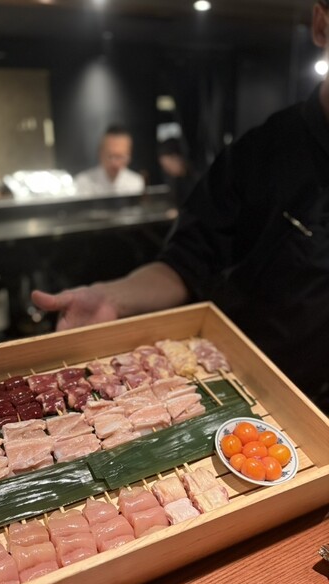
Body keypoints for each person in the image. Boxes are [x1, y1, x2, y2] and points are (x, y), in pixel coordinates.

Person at [32, 1, 329, 409]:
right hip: (258, 400)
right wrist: (113, 297)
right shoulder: (262, 154)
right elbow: (185, 264)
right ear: (321, 24)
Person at [74, 125, 145, 196]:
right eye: (110, 156)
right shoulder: (83, 182)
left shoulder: (136, 182)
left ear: (129, 156)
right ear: (100, 153)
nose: (115, 163)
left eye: (120, 157)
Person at [157, 137, 197, 206]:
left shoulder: (197, 175)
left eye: (168, 166)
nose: (167, 170)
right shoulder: (176, 182)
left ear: (177, 158)